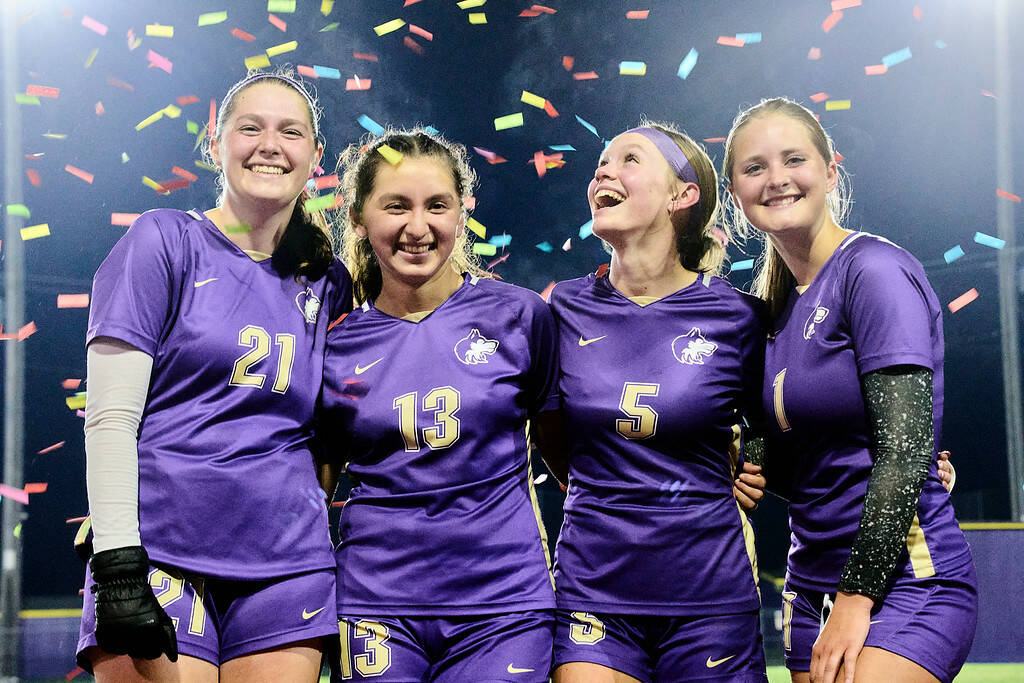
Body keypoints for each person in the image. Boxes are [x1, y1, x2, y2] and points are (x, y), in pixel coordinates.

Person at [75, 69, 352, 681]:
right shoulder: (162, 239)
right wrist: (118, 559)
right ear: (215, 141)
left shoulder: (328, 280)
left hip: (288, 562)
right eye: (250, 128)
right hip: (161, 553)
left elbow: (335, 431)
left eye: (291, 132)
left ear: (315, 155)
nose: (270, 145)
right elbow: (111, 418)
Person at [722, 97, 977, 683]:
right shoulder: (771, 312)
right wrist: (743, 463)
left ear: (831, 171)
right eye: (755, 168)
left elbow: (905, 449)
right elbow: (801, 468)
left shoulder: (873, 270)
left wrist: (857, 599)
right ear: (735, 191)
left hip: (903, 578)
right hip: (809, 584)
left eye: (793, 159)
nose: (777, 179)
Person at [318, 128, 558, 682]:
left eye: (437, 206)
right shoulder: (334, 342)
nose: (418, 227)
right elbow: (309, 482)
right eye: (396, 206)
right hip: (375, 604)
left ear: (461, 212)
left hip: (504, 604)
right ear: (358, 218)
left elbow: (571, 458)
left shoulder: (521, 318)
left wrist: (717, 471)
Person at [547, 121, 769, 682]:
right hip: (592, 587)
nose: (603, 170)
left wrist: (756, 464)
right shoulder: (559, 309)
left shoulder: (739, 317)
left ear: (681, 195)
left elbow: (787, 411)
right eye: (601, 161)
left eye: (629, 159)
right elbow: (544, 432)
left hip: (708, 595)